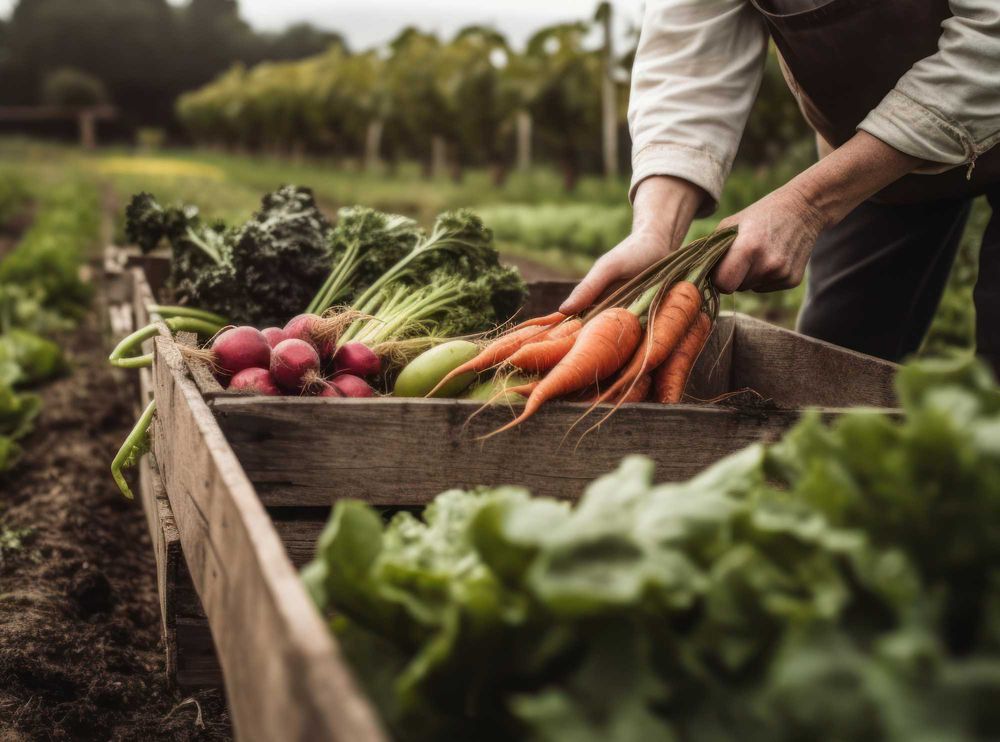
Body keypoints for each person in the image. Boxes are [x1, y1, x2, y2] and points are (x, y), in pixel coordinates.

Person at [560, 0, 1000, 369]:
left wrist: (808, 205)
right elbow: (688, 59)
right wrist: (656, 231)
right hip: (867, 167)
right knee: (832, 361)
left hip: (938, 114)